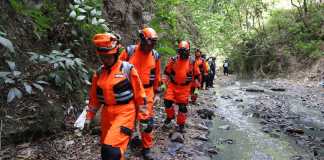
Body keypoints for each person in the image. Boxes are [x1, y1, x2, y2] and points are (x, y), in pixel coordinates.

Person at [84, 33, 150, 160]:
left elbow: (140, 96)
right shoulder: (99, 73)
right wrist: (89, 117)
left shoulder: (127, 69)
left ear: (115, 53)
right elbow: (94, 99)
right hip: (106, 114)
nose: (105, 59)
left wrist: (144, 119)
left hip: (125, 112)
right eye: (103, 57)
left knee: (111, 151)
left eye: (108, 56)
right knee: (108, 152)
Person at [119, 27, 161, 160]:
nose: (151, 46)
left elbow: (157, 76)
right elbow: (116, 68)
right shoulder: (129, 51)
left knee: (146, 122)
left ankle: (146, 148)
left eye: (153, 44)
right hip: (129, 92)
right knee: (126, 120)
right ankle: (122, 146)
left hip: (145, 94)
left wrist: (157, 93)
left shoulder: (155, 55)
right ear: (142, 40)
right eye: (149, 43)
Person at [163, 41, 200, 133]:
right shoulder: (173, 60)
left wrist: (196, 89)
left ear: (188, 51)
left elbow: (196, 76)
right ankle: (170, 116)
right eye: (181, 52)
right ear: (179, 52)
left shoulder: (192, 62)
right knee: (167, 102)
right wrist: (164, 84)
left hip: (185, 88)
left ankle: (181, 124)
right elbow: (167, 73)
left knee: (182, 107)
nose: (183, 54)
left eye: (185, 52)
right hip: (172, 85)